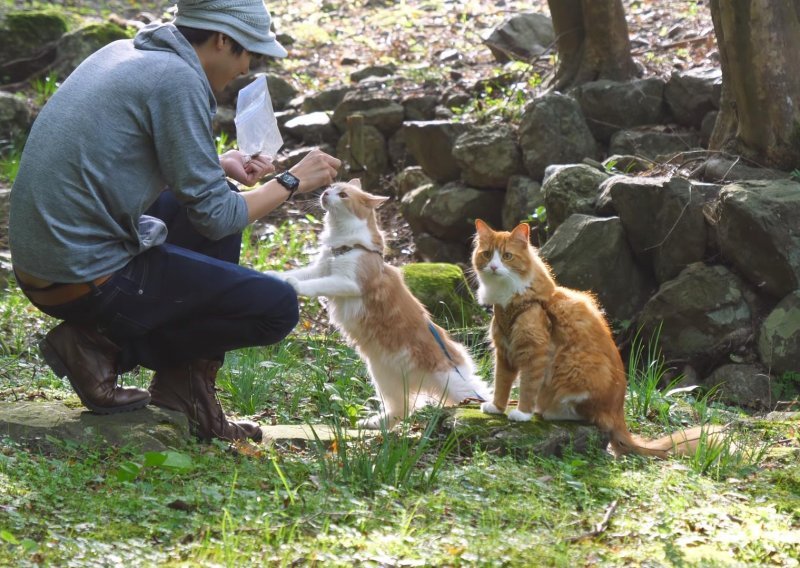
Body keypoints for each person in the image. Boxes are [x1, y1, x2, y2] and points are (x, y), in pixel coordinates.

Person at [8, 0, 341, 442]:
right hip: (80, 276)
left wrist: (215, 163)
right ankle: (97, 346)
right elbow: (219, 218)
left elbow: (120, 159)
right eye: (248, 54)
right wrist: (291, 181)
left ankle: (182, 389)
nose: (245, 68)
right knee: (276, 307)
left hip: (45, 263)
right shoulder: (179, 79)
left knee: (212, 199)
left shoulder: (125, 51)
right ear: (222, 40)